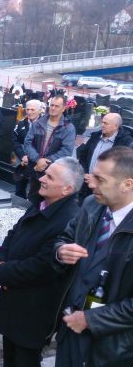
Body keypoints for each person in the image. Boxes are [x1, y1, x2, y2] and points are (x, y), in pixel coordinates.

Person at [0, 157, 82, 367]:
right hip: (14, 299)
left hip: (34, 311)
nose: (42, 179)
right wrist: (0, 260)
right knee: (10, 357)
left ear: (67, 189)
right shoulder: (42, 204)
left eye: (49, 176)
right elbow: (14, 233)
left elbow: (42, 267)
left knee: (24, 360)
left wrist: (2, 273)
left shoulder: (69, 221)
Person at [53, 146, 133, 367]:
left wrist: (90, 319)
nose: (91, 184)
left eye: (101, 179)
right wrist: (61, 251)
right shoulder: (91, 206)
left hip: (112, 350)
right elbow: (64, 237)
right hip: (70, 332)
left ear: (128, 184)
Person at [24, 94, 76, 199]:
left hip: (53, 171)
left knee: (47, 200)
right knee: (32, 197)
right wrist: (38, 159)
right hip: (35, 167)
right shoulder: (38, 123)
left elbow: (66, 151)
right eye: (51, 105)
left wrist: (46, 161)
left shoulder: (68, 128)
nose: (53, 108)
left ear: (63, 108)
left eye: (57, 106)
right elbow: (28, 143)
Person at [76, 112, 133, 202]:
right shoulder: (95, 136)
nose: (102, 125)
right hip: (86, 184)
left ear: (116, 126)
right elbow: (83, 156)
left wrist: (97, 178)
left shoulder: (125, 142)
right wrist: (85, 173)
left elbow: (122, 167)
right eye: (102, 122)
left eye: (106, 123)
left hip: (106, 188)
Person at [13, 100, 43, 199]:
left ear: (39, 111)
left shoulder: (45, 126)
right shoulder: (22, 123)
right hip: (22, 162)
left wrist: (30, 157)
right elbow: (15, 141)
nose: (29, 112)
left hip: (36, 162)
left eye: (32, 110)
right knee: (19, 188)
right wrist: (22, 156)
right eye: (28, 109)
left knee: (35, 190)